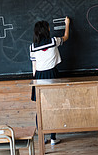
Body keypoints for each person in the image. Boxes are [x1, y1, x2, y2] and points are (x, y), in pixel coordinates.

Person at [29, 16, 70, 145]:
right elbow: (66, 37)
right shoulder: (53, 41)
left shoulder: (32, 47)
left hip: (39, 77)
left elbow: (34, 68)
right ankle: (53, 138)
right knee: (54, 107)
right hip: (52, 75)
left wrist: (35, 81)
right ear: (46, 30)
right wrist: (67, 24)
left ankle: (42, 137)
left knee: (40, 108)